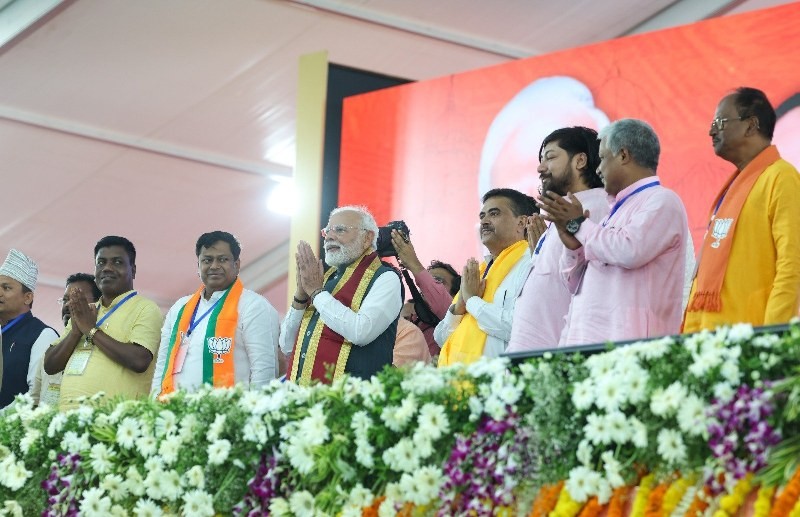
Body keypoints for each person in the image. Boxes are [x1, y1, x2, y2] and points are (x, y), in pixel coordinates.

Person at [539, 119, 688, 345]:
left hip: (631, 345)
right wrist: (573, 247)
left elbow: (630, 250)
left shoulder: (662, 200)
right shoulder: (613, 212)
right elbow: (572, 283)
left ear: (623, 155)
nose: (598, 168)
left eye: (603, 158)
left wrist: (578, 224)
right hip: (586, 341)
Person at [683, 87, 800, 332]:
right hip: (709, 338)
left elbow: (792, 266)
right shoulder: (733, 189)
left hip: (751, 340)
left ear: (751, 125)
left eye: (720, 122)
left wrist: (774, 336)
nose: (711, 130)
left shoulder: (781, 177)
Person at [506, 127, 610, 353]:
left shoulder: (600, 207)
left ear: (580, 160)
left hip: (559, 357)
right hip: (532, 356)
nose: (540, 168)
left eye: (551, 157)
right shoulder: (560, 215)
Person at [280, 206, 403, 384]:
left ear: (367, 238)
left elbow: (361, 332)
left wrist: (316, 293)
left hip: (350, 400)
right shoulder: (324, 279)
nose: (329, 237)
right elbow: (287, 345)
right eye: (327, 231)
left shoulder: (386, 278)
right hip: (306, 399)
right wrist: (300, 296)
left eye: (339, 230)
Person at [152, 231, 280, 396]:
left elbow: (264, 369)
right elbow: (162, 365)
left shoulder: (253, 306)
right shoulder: (180, 307)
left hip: (228, 415)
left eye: (222, 259)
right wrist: (153, 406)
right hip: (177, 412)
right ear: (198, 265)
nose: (214, 266)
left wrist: (255, 412)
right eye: (207, 260)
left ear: (237, 264)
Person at [44, 236, 163, 410]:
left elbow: (139, 360)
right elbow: (50, 365)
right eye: (101, 263)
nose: (107, 268)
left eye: (117, 262)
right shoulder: (85, 311)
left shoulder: (146, 308)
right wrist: (76, 331)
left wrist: (91, 330)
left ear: (133, 270)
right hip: (68, 422)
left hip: (115, 424)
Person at [436, 188, 536, 365]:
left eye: (494, 214)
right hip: (455, 385)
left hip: (501, 382)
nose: (485, 222)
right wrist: (460, 305)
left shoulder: (531, 263)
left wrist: (472, 301)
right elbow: (441, 337)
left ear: (522, 222)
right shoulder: (480, 271)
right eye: (482, 216)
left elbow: (521, 328)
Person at [29, 273, 100, 407]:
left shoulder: (100, 348)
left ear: (97, 304)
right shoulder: (53, 347)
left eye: (77, 299)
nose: (68, 304)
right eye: (65, 299)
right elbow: (34, 398)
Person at [0, 249, 59, 408]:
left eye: (6, 288)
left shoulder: (43, 335)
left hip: (14, 429)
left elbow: (36, 394)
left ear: (27, 297)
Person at [391, 229, 460, 356]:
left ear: (455, 295)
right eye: (428, 279)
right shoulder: (407, 317)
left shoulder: (457, 318)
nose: (426, 286)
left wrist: (413, 264)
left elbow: (445, 306)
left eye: (438, 282)